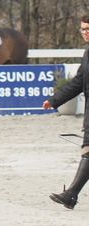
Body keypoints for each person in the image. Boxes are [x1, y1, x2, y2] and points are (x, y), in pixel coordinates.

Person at [42, 14, 89, 209]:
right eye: (83, 29)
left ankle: (71, 195)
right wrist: (55, 100)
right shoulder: (87, 53)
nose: (85, 33)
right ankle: (71, 195)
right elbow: (78, 82)